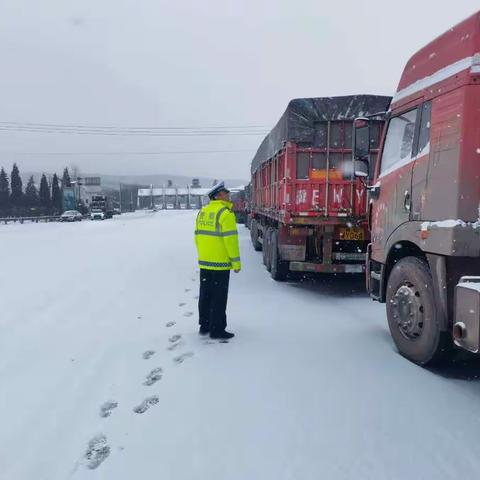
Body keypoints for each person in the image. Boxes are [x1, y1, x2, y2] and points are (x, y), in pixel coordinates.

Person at [194, 181, 241, 340]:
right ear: (218, 196)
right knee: (219, 297)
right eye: (225, 193)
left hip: (205, 262)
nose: (228, 195)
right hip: (220, 263)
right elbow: (231, 241)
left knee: (205, 294)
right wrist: (236, 263)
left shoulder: (203, 212)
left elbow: (197, 236)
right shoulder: (225, 214)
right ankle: (217, 329)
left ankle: (204, 326)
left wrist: (203, 255)